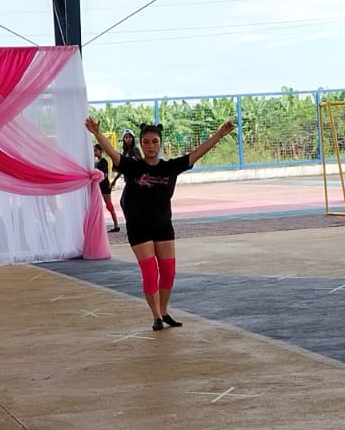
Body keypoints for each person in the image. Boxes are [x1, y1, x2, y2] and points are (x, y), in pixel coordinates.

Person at [87, 116, 236, 331]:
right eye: (146, 142)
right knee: (150, 273)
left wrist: (220, 134)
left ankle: (164, 311)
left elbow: (197, 153)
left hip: (163, 225)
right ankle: (156, 315)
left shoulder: (170, 167)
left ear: (160, 143)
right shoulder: (132, 166)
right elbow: (112, 153)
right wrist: (97, 133)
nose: (150, 145)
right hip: (139, 228)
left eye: (154, 141)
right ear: (140, 144)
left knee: (168, 273)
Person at [95, 148, 119, 233]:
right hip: (98, 186)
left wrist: (98, 181)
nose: (94, 152)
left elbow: (105, 174)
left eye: (96, 150)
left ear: (101, 151)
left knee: (109, 205)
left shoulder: (104, 161)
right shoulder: (96, 162)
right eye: (93, 151)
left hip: (104, 186)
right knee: (96, 206)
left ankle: (116, 224)